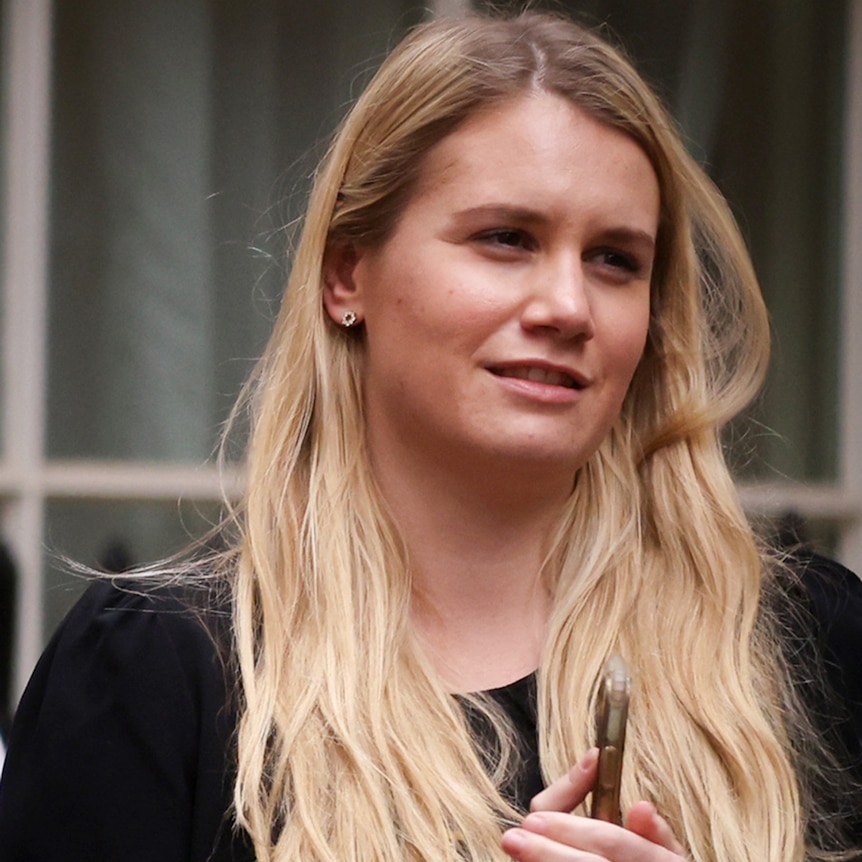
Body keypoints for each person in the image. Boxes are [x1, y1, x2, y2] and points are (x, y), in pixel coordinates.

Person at [1, 10, 861, 862]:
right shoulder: (157, 675)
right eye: (505, 239)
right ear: (348, 274)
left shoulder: (809, 644)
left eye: (614, 260)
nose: (567, 307)